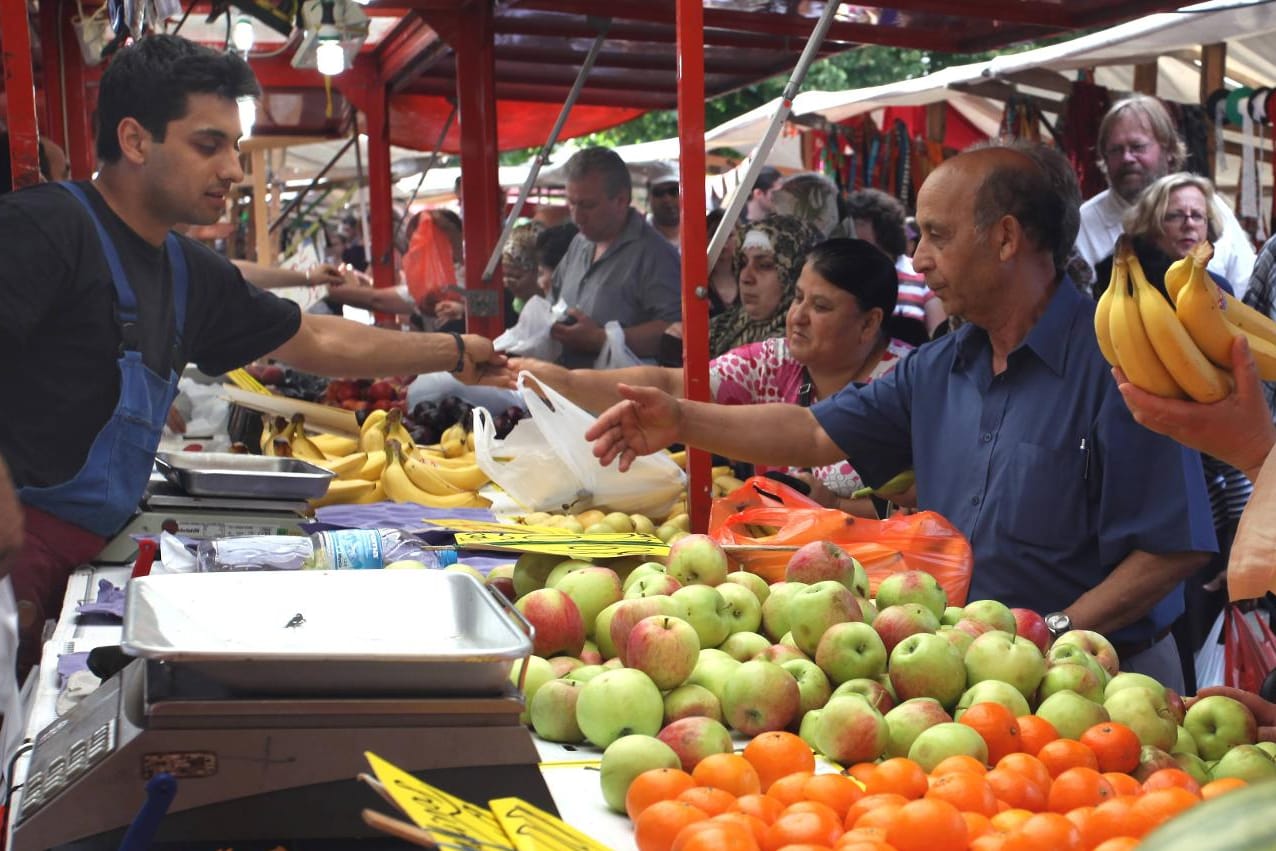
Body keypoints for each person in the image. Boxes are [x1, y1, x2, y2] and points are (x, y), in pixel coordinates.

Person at [584, 142, 1216, 691]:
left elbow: (1172, 550)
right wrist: (681, 420)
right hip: (969, 671)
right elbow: (811, 430)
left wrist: (1052, 632)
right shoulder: (943, 365)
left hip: (1107, 676)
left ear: (1005, 238)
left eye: (937, 235)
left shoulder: (1119, 364)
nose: (918, 260)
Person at [0, 34, 503, 679]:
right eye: (208, 145)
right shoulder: (44, 227)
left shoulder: (190, 271)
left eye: (234, 148)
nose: (233, 170)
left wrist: (454, 349)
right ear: (134, 140)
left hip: (81, 562)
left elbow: (316, 340)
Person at [511, 239, 912, 515]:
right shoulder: (776, 361)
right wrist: (558, 381)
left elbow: (930, 500)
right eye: (798, 298)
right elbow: (672, 384)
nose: (798, 316)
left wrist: (838, 506)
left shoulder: (903, 384)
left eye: (820, 306)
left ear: (869, 322)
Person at [1076, 95, 1255, 296]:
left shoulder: (1208, 206)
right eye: (1116, 150)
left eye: (1137, 147)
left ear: (1168, 150)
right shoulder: (1084, 223)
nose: (1127, 158)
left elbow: (1246, 289)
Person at [550, 146, 682, 368]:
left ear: (621, 200)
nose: (577, 216)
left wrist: (601, 339)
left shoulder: (656, 254)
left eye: (588, 205)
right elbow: (553, 298)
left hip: (621, 393)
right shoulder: (579, 242)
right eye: (571, 203)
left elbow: (677, 329)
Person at [1092, 172, 1237, 299]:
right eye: (1175, 216)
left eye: (1197, 215)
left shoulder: (1220, 289)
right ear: (1151, 223)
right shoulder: (1118, 280)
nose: (1189, 224)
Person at [842, 188, 947, 344]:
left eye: (864, 244)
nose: (856, 251)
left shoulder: (921, 275)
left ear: (886, 237)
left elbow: (937, 339)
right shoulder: (841, 276)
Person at [708, 215, 822, 358]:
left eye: (764, 266)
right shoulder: (723, 327)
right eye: (742, 263)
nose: (746, 277)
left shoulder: (799, 346)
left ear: (795, 274)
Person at [646, 163, 680, 248]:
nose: (667, 199)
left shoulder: (701, 235)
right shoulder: (636, 238)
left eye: (674, 191)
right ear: (649, 196)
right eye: (659, 192)